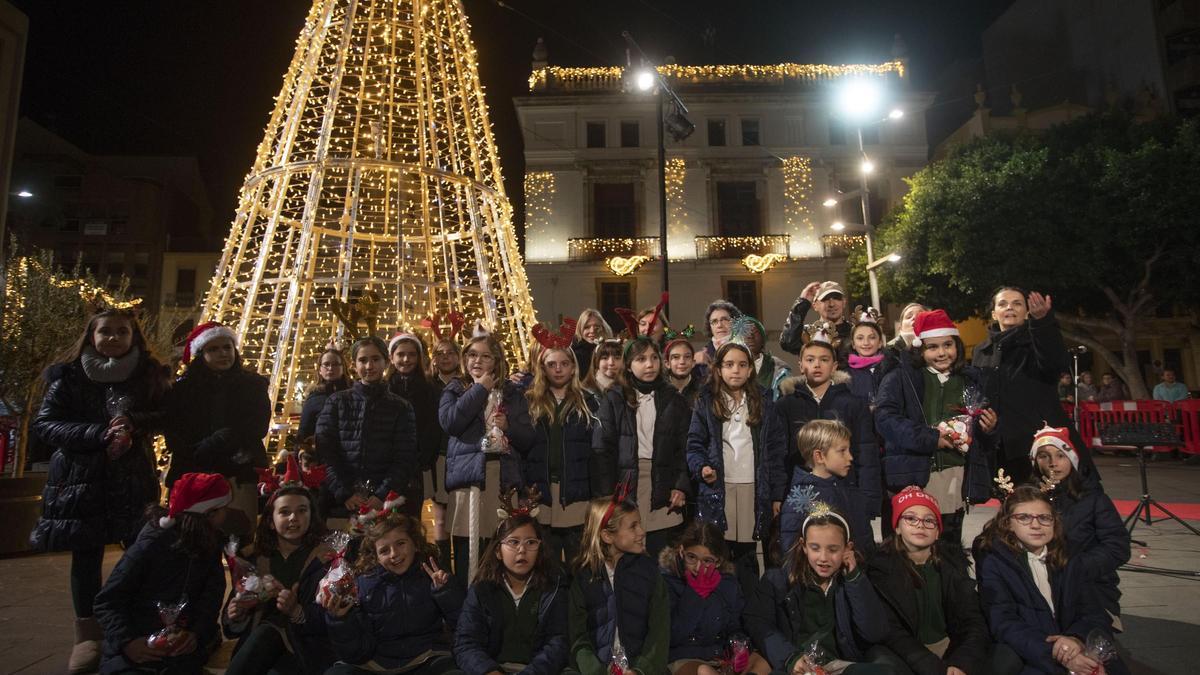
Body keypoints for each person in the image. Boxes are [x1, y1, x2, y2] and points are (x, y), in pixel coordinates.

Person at [30, 308, 169, 674]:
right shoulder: (69, 377)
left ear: (132, 337)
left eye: (121, 332)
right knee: (86, 556)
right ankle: (87, 636)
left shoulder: (149, 376)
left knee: (140, 551)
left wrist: (135, 423)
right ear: (91, 336)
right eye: (105, 331)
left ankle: (135, 623)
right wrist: (95, 434)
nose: (112, 338)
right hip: (80, 480)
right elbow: (46, 424)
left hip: (131, 479)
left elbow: (166, 415)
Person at [875, 310, 997, 554]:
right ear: (920, 349)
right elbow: (885, 418)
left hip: (956, 474)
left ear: (957, 346)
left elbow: (981, 435)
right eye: (933, 347)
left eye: (948, 345)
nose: (942, 353)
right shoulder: (901, 378)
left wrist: (988, 428)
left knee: (949, 545)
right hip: (915, 474)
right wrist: (931, 439)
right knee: (910, 547)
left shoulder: (970, 380)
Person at [974, 486, 1129, 675]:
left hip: (1074, 645)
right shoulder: (995, 561)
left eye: (1045, 518)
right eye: (1024, 518)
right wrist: (1059, 653)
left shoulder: (1068, 557)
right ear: (1008, 523)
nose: (1036, 525)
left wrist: (1075, 639)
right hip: (1034, 651)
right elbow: (1003, 622)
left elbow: (1093, 611)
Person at [93, 472, 232, 674]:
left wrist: (195, 633)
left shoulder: (209, 546)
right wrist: (127, 642)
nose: (227, 514)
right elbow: (107, 601)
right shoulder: (150, 546)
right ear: (209, 513)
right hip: (135, 649)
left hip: (179, 651)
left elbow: (210, 598)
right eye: (223, 509)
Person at [743, 502, 892, 674]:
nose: (823, 558)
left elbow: (875, 633)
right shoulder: (778, 580)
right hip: (796, 665)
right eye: (815, 548)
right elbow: (757, 622)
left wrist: (854, 579)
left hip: (838, 665)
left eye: (833, 549)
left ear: (847, 548)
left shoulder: (853, 581)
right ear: (804, 546)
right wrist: (789, 657)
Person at [688, 341, 787, 594]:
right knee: (719, 550)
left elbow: (775, 451)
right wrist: (702, 468)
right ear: (718, 369)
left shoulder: (763, 400)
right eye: (729, 364)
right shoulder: (706, 401)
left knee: (747, 553)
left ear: (751, 369)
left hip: (753, 487)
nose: (736, 370)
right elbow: (695, 444)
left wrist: (776, 493)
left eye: (742, 365)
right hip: (719, 487)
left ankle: (749, 608)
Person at [440, 335, 537, 584]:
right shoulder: (455, 388)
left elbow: (527, 438)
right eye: (472, 355)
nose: (477, 361)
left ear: (496, 361)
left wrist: (509, 427)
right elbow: (450, 422)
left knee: (503, 549)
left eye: (485, 356)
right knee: (467, 552)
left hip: (503, 481)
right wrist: (479, 389)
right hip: (468, 481)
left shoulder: (512, 392)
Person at [224, 459, 335, 674]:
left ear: (312, 516)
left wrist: (297, 611)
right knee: (266, 634)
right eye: (284, 512)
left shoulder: (327, 559)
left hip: (307, 648)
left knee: (271, 633)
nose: (294, 518)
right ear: (270, 520)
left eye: (302, 511)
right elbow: (232, 628)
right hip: (258, 650)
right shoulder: (254, 559)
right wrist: (236, 615)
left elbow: (335, 618)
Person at [972, 287, 1090, 485]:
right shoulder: (981, 351)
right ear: (994, 313)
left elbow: (1056, 364)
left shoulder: (1038, 340)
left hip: (1041, 444)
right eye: (1002, 304)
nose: (1009, 307)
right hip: (1001, 448)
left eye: (1017, 303)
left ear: (1027, 312)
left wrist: (1043, 322)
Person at [866, 487, 990, 675]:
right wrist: (935, 668)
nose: (920, 525)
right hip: (907, 654)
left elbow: (973, 621)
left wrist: (961, 663)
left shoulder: (953, 565)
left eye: (929, 520)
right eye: (910, 518)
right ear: (897, 527)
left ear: (938, 531)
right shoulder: (881, 570)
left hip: (950, 648)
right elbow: (892, 632)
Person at [322, 511, 463, 675]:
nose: (394, 554)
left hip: (427, 658)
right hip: (377, 663)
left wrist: (445, 593)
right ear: (376, 557)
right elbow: (355, 652)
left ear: (415, 544)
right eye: (384, 551)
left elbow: (463, 626)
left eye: (401, 543)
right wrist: (341, 621)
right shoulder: (362, 586)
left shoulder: (433, 576)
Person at [164, 321, 271, 537]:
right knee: (194, 539)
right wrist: (198, 450)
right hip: (194, 472)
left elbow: (257, 426)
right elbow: (174, 430)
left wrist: (222, 441)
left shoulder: (253, 385)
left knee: (240, 538)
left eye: (227, 347)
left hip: (238, 472)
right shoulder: (182, 389)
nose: (223, 353)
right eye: (214, 349)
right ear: (201, 353)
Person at [594, 336, 692, 557]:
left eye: (654, 358)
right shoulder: (614, 398)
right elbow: (603, 449)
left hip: (663, 482)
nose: (649, 365)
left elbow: (684, 448)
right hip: (627, 481)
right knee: (629, 548)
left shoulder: (673, 399)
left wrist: (680, 485)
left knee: (661, 552)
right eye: (641, 359)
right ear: (628, 365)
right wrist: (608, 494)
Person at [1030, 425, 1129, 629]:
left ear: (1072, 460)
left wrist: (1075, 567)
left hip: (1087, 588)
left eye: (1060, 456)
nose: (1052, 464)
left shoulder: (1093, 499)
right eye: (1043, 456)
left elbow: (1117, 547)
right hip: (1038, 587)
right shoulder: (1027, 499)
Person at [317, 336, 420, 523]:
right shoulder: (337, 402)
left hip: (384, 504)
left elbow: (405, 457)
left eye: (375, 359)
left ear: (386, 362)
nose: (369, 366)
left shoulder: (401, 407)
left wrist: (382, 495)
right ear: (354, 364)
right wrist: (344, 492)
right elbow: (326, 451)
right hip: (341, 502)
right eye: (363, 360)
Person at [453, 511, 569, 675]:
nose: (522, 550)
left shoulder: (553, 587)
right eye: (513, 542)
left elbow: (558, 642)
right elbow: (466, 643)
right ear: (498, 551)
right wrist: (489, 671)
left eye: (530, 542)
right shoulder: (482, 589)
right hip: (494, 668)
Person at [775, 337, 879, 518]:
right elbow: (777, 454)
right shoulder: (786, 405)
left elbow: (866, 453)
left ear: (834, 366)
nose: (817, 365)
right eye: (810, 360)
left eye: (824, 360)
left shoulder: (853, 404)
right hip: (799, 492)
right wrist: (777, 495)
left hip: (844, 491)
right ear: (800, 366)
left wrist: (868, 497)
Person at [567, 496, 670, 675]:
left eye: (640, 524)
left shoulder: (650, 573)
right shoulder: (584, 578)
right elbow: (578, 638)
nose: (642, 532)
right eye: (633, 526)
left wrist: (640, 670)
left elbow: (659, 634)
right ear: (607, 535)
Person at [658, 521, 770, 675]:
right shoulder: (667, 582)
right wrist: (694, 595)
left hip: (720, 656)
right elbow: (671, 636)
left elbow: (736, 626)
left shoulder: (727, 583)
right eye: (692, 557)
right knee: (703, 671)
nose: (698, 568)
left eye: (707, 561)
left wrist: (739, 646)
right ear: (682, 551)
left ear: (718, 561)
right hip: (685, 658)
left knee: (763, 662)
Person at [525, 343, 597, 567]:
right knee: (547, 566)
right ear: (542, 369)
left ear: (574, 368)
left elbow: (595, 451)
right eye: (551, 364)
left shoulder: (588, 402)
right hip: (542, 494)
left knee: (579, 565)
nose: (558, 369)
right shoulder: (530, 401)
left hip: (576, 495)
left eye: (564, 364)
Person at [778, 420, 874, 557]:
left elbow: (865, 541)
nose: (850, 457)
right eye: (842, 451)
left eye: (849, 450)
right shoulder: (800, 500)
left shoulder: (852, 493)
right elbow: (791, 551)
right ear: (819, 456)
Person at [387, 332, 442, 514]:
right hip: (385, 468)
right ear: (391, 357)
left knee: (411, 519)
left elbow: (433, 426)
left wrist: (422, 457)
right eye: (401, 354)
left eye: (411, 354)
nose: (406, 359)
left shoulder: (429, 387)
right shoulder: (384, 387)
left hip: (414, 468)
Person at [779, 281, 853, 365]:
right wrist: (802, 302)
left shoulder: (856, 332)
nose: (832, 304)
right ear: (814, 305)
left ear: (844, 302)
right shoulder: (807, 333)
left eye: (836, 298)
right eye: (825, 299)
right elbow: (787, 342)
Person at [299, 348, 351, 442]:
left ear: (343, 368)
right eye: (326, 364)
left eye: (335, 364)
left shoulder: (354, 394)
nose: (330, 368)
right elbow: (304, 431)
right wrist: (302, 452)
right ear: (320, 369)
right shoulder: (314, 397)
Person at [739, 316, 791, 400]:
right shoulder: (728, 368)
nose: (750, 336)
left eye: (755, 332)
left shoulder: (779, 369)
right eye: (745, 332)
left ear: (763, 339)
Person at [694, 299, 741, 366]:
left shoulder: (746, 349)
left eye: (724, 319)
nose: (719, 325)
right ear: (709, 326)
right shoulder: (702, 356)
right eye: (714, 321)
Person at [664, 337, 703, 409]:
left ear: (693, 363)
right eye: (676, 357)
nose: (682, 362)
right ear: (667, 364)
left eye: (687, 357)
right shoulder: (659, 390)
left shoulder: (704, 389)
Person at [581, 339, 624, 403]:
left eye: (617, 358)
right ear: (596, 361)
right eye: (605, 358)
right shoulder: (586, 392)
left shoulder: (629, 388)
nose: (611, 363)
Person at [573, 309, 613, 376]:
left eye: (596, 326)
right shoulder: (575, 355)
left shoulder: (611, 349)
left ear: (603, 328)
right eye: (586, 327)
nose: (592, 331)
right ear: (580, 329)